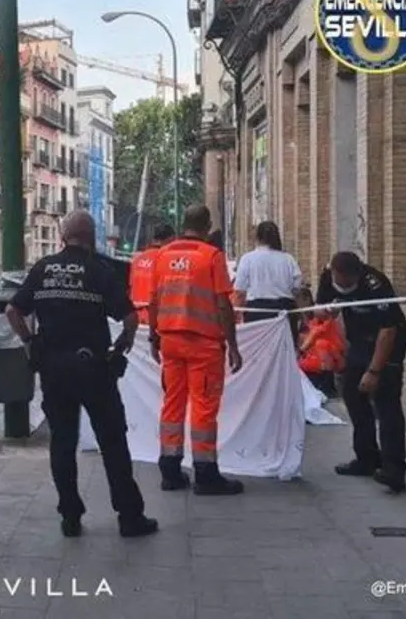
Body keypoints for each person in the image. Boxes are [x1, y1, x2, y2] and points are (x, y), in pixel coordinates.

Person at [4, 211, 158, 539]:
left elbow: (12, 311)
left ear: (62, 236)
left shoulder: (42, 268)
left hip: (54, 370)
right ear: (89, 239)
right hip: (94, 370)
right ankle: (129, 517)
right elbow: (130, 318)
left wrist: (30, 343)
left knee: (62, 442)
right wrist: (121, 346)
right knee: (113, 442)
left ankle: (70, 516)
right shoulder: (99, 271)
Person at [149, 205, 245, 495]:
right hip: (203, 345)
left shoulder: (163, 256)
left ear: (184, 223)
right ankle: (205, 473)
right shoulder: (211, 256)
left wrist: (154, 339)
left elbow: (154, 300)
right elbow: (222, 304)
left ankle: (170, 468)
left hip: (170, 342)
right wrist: (233, 345)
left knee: (172, 404)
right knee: (203, 407)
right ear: (207, 225)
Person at [316, 251, 406, 493]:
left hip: (388, 342)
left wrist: (375, 371)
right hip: (359, 340)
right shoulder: (328, 278)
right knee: (352, 395)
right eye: (341, 282)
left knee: (386, 402)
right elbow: (319, 310)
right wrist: (327, 311)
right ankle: (367, 458)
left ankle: (394, 469)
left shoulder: (375, 284)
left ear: (357, 274)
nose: (344, 286)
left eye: (349, 283)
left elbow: (388, 331)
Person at [233, 221, 306, 342]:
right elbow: (296, 288)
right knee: (285, 352)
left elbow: (240, 292)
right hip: (284, 311)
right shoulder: (288, 259)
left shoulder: (248, 259)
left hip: (257, 313)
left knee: (259, 354)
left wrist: (235, 314)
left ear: (257, 237)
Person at [129, 224, 175, 324]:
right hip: (155, 321)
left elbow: (130, 288)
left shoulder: (137, 260)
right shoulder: (166, 260)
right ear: (170, 239)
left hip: (136, 320)